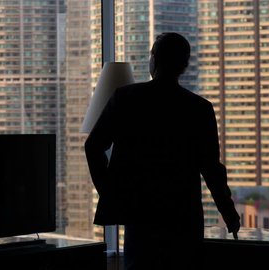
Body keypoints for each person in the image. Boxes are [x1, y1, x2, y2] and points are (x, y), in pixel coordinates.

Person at [85, 32, 240, 270]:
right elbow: (211, 169)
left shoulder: (126, 99)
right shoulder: (199, 109)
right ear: (185, 65)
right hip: (184, 220)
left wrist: (111, 192)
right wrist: (229, 213)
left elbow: (93, 146)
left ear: (154, 59)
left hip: (141, 217)